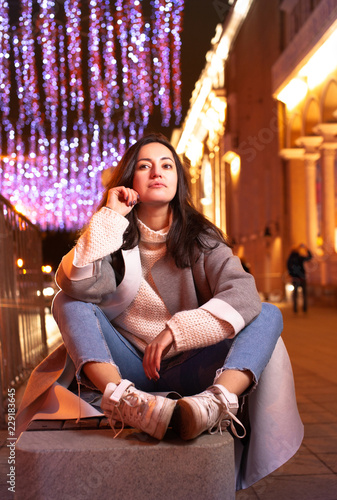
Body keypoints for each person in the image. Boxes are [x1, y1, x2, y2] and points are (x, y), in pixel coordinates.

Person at [16, 133, 303, 490]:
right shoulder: (111, 236)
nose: (157, 172)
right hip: (128, 369)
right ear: (129, 181)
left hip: (190, 367)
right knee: (67, 302)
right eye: (144, 166)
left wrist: (176, 332)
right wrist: (109, 217)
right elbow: (74, 285)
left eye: (167, 165)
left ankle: (214, 404)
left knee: (268, 313)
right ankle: (123, 403)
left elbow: (243, 293)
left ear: (178, 179)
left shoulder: (201, 237)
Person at [287, 243, 312, 313]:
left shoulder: (290, 258)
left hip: (295, 278)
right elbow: (310, 257)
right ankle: (304, 308)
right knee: (304, 294)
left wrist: (292, 275)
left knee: (295, 294)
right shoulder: (299, 257)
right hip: (302, 277)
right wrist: (306, 249)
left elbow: (288, 267)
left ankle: (295, 308)